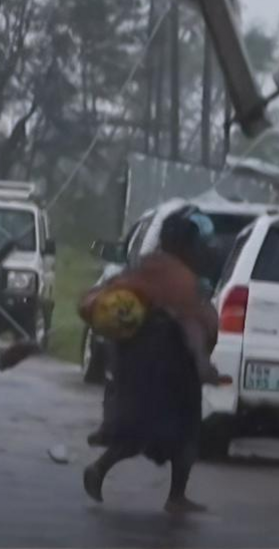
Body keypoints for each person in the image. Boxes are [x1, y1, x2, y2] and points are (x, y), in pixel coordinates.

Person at [78, 210, 222, 514]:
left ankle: (100, 469)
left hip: (134, 363)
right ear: (188, 245)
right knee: (185, 432)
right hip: (173, 366)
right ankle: (176, 496)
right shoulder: (182, 279)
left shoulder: (145, 267)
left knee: (138, 429)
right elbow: (191, 326)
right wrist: (202, 364)